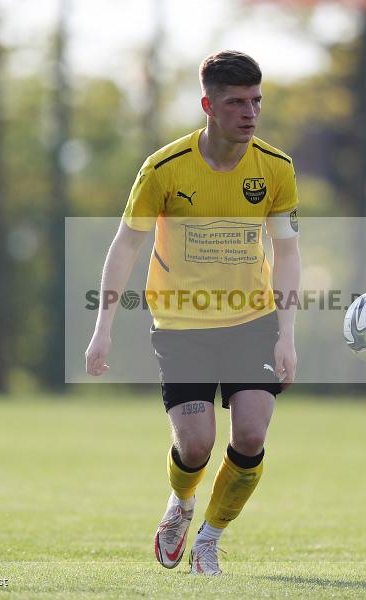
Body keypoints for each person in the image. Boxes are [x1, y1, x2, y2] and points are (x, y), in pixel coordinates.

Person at [85, 50, 301, 576]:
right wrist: (103, 330)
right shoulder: (163, 169)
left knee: (250, 436)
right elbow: (125, 246)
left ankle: (210, 538)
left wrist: (287, 334)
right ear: (208, 104)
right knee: (197, 444)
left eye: (256, 101)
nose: (249, 113)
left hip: (252, 321)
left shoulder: (275, 168)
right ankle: (180, 505)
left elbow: (289, 251)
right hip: (182, 325)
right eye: (236, 103)